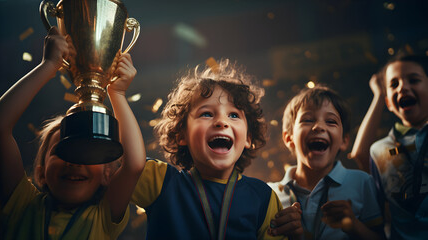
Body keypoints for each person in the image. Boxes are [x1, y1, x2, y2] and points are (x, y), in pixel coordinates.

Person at [0, 27, 145, 239]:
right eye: (61, 150)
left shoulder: (104, 216)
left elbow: (135, 164)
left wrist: (118, 93)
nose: (74, 160)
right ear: (40, 173)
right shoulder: (22, 203)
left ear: (107, 175)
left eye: (88, 150)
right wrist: (48, 66)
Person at [131, 59, 285, 240]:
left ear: (248, 138)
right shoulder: (159, 182)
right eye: (206, 113)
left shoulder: (264, 198)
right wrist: (117, 94)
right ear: (181, 135)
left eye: (234, 115)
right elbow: (123, 164)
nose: (221, 121)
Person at [267, 86, 385, 239]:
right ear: (289, 138)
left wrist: (354, 225)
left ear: (344, 141)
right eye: (308, 120)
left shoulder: (362, 182)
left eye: (330, 121)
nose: (319, 127)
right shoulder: (270, 194)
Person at [350, 53, 428, 239]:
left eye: (414, 80)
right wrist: (378, 95)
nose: (403, 88)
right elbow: (360, 154)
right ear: (388, 103)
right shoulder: (381, 150)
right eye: (394, 84)